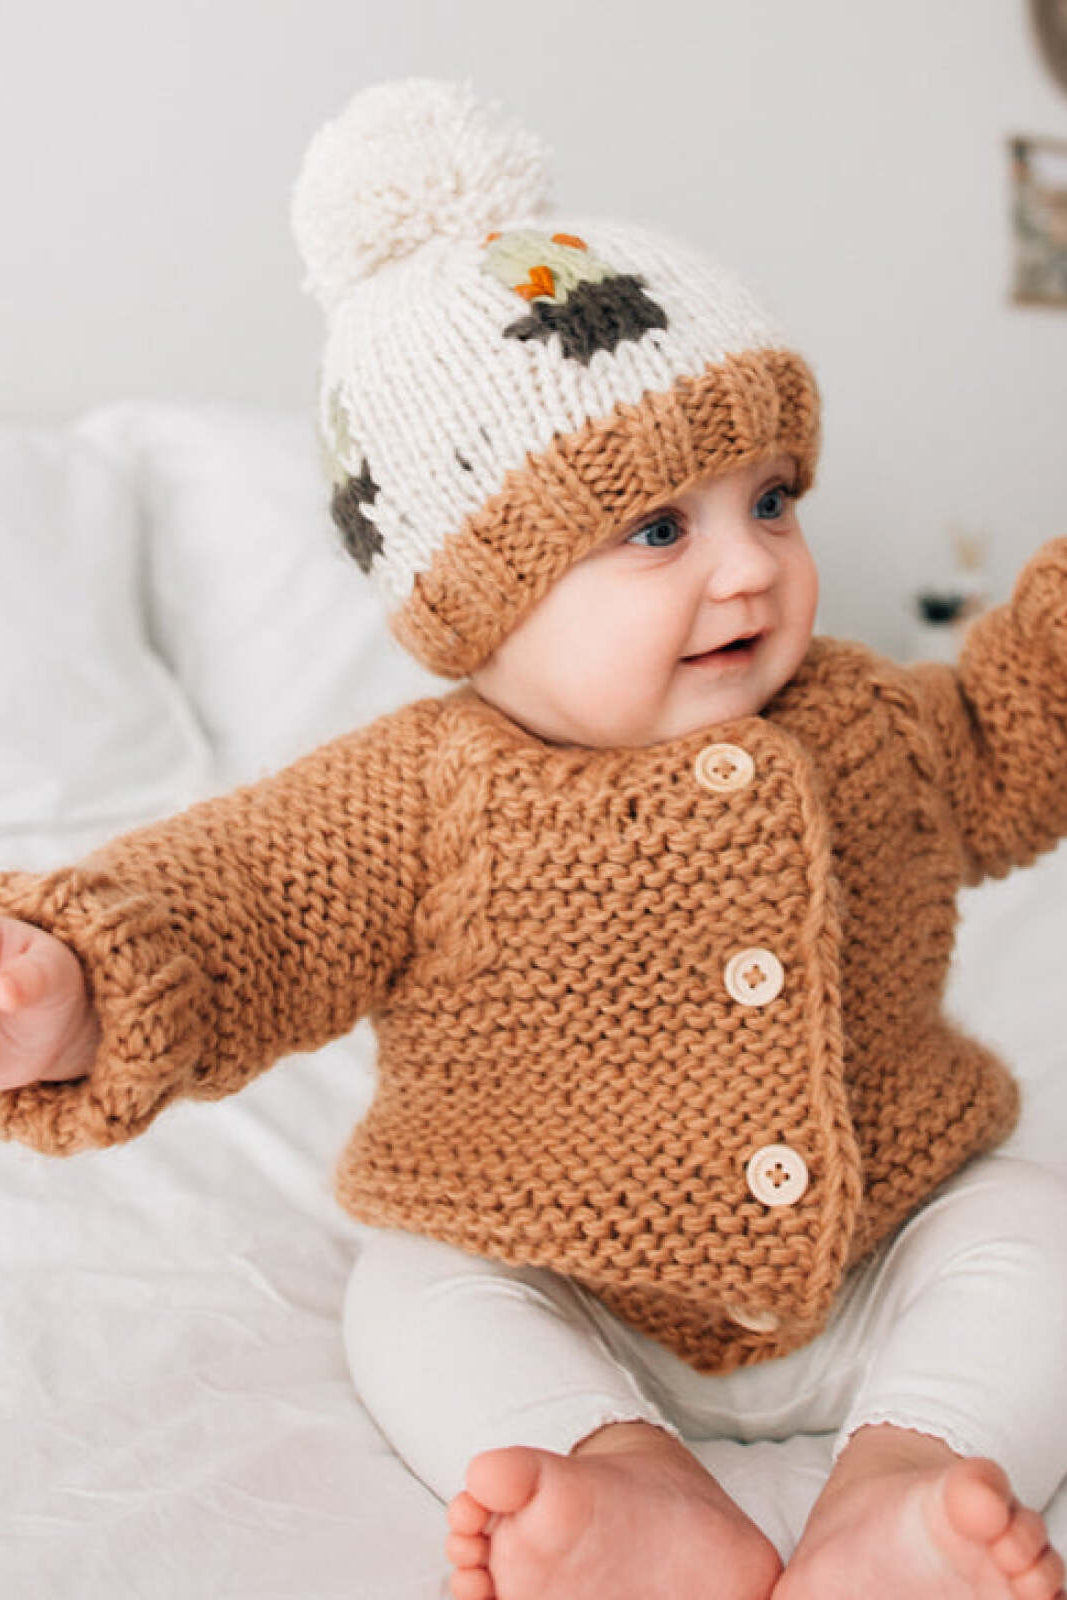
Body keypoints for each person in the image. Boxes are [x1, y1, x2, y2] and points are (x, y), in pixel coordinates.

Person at [1, 77, 1066, 1600]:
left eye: (771, 500)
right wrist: (75, 980)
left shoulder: (869, 718)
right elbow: (235, 907)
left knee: (1034, 1226)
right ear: (477, 598)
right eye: (656, 531)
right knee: (418, 1296)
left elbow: (1017, 724)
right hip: (558, 1274)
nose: (750, 569)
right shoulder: (423, 792)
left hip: (878, 1244)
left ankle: (905, 1474)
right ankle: (622, 1480)